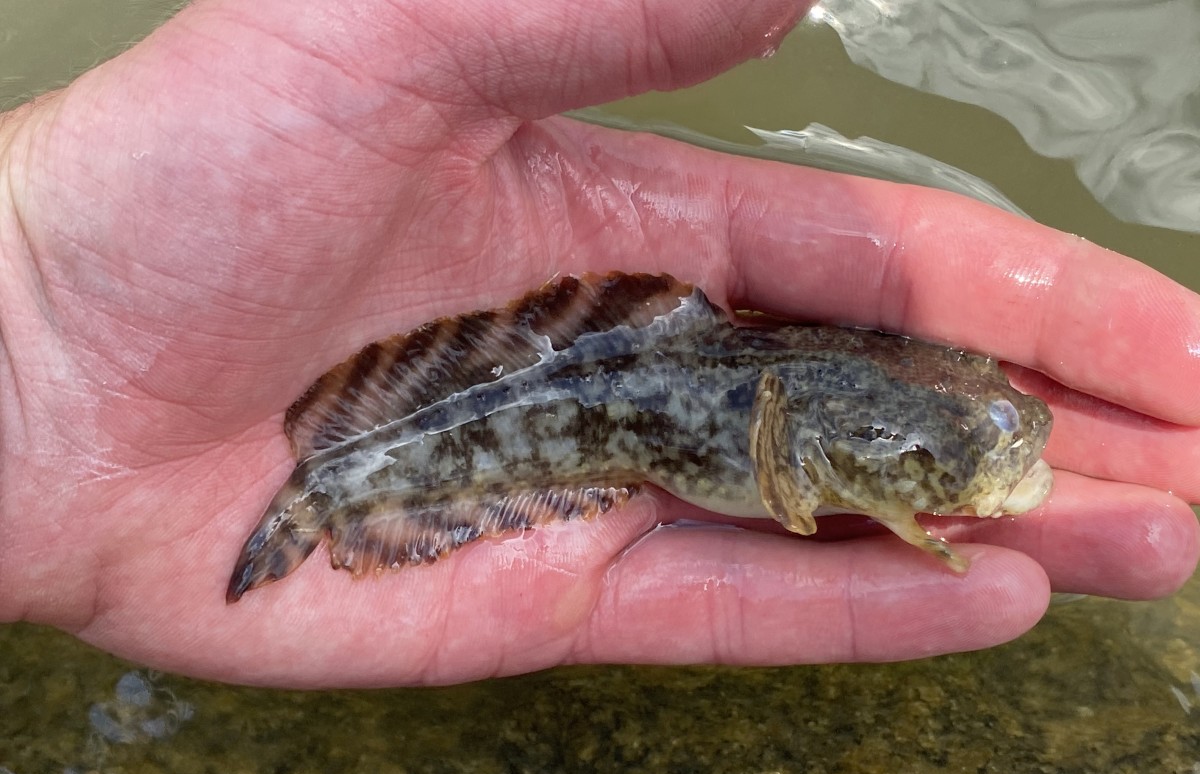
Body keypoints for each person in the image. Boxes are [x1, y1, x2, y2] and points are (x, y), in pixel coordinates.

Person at [0, 0, 1196, 688]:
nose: (1006, 443)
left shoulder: (831, 406)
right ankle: (329, 495)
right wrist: (37, 332)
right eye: (970, 439)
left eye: (981, 430)